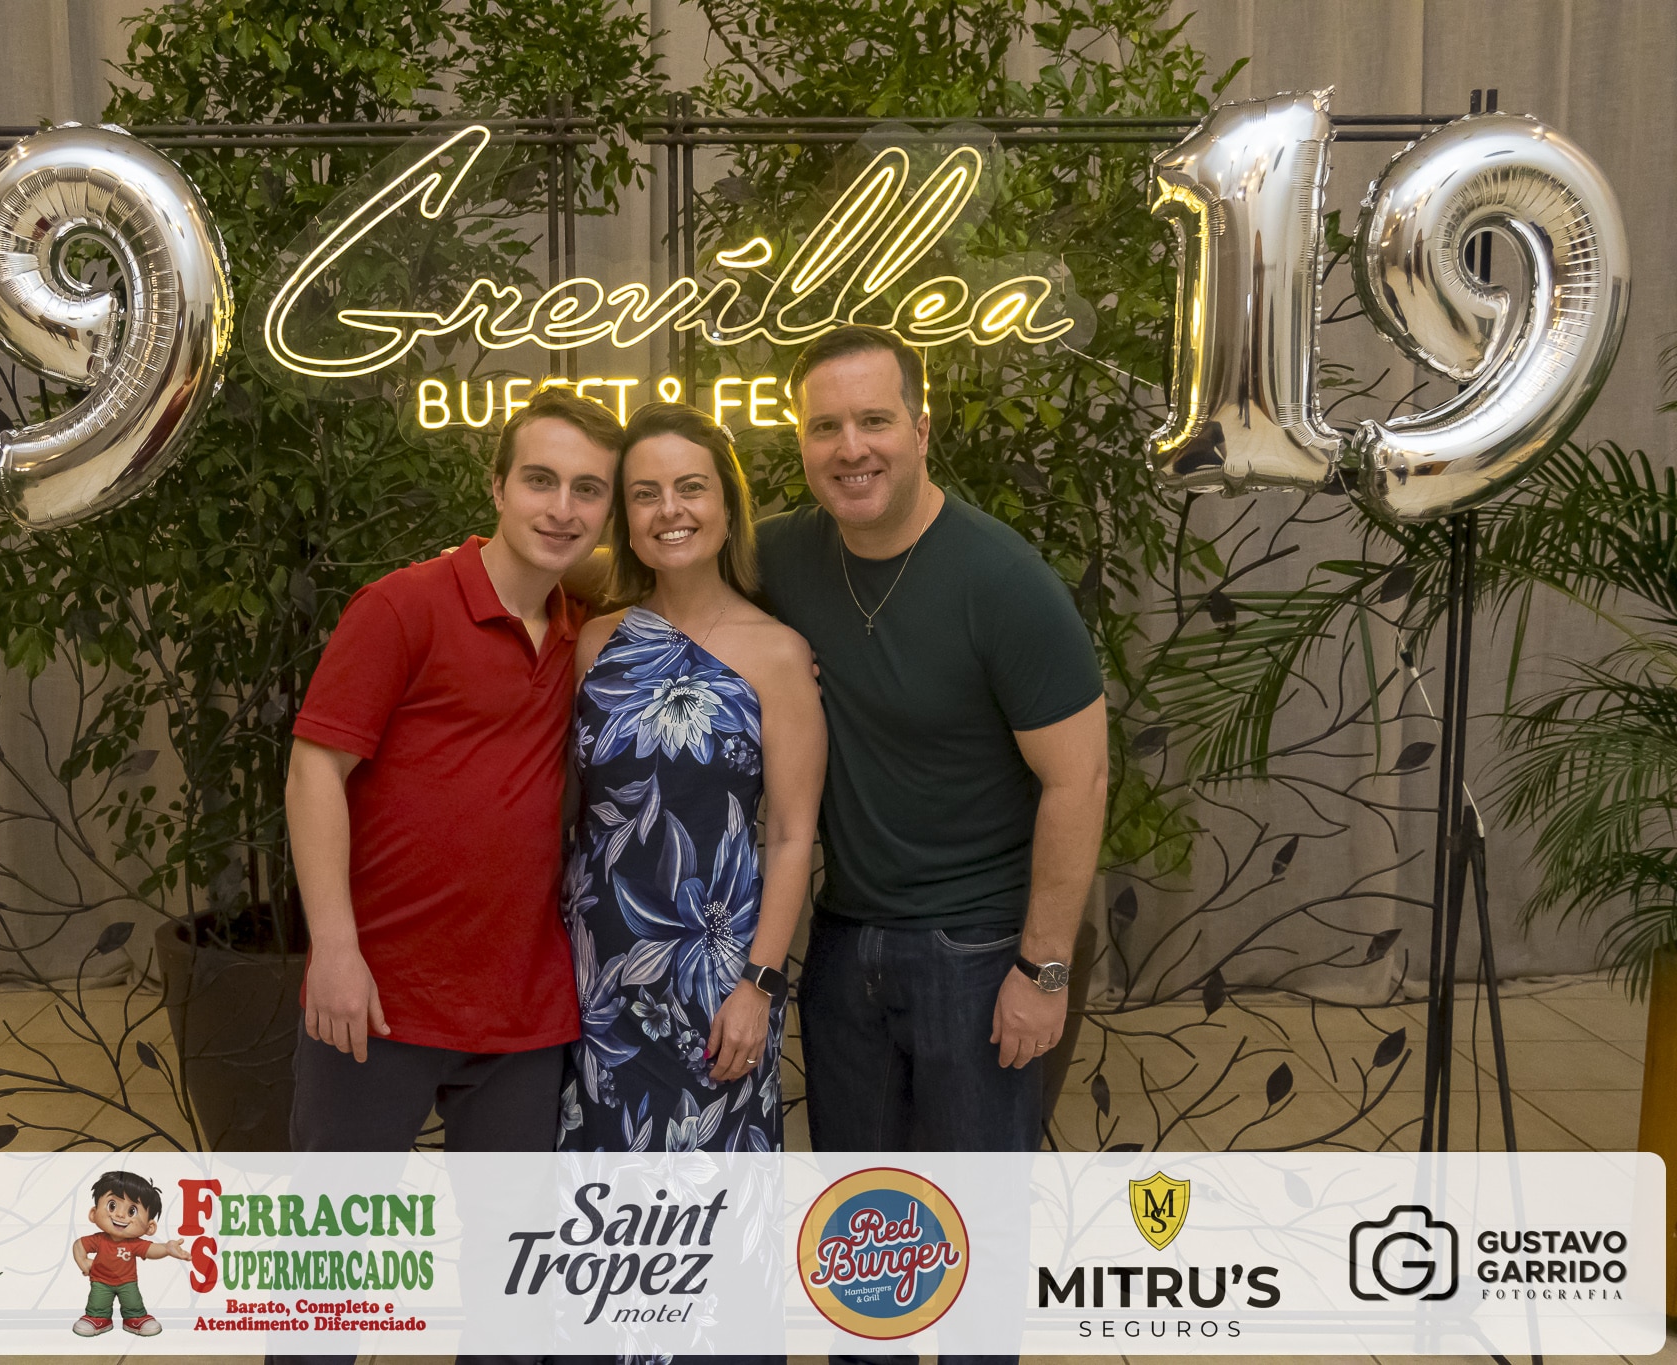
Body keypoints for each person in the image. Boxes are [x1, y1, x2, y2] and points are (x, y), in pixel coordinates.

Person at [761, 324, 1108, 1365]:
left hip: (977, 952)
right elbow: (656, 566)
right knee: (862, 1239)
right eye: (825, 427)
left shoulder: (1001, 580)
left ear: (920, 428)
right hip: (844, 943)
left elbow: (1079, 779)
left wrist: (1042, 969)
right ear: (800, 441)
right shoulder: (781, 556)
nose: (850, 447)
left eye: (873, 420)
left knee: (973, 1241)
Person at [283, 386, 622, 1154]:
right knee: (343, 1225)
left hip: (522, 1008)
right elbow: (314, 772)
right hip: (378, 989)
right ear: (497, 487)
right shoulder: (402, 606)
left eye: (588, 490)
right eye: (540, 480)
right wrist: (334, 949)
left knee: (512, 1230)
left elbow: (688, 567)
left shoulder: (583, 628)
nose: (561, 508)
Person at [557, 403, 826, 1157]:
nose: (669, 509)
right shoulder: (595, 643)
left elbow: (793, 834)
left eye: (691, 487)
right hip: (592, 973)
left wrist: (759, 986)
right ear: (626, 519)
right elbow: (569, 812)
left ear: (728, 506)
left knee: (712, 1193)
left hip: (716, 978)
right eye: (645, 494)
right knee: (597, 1199)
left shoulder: (779, 653)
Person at [71, 1170, 190, 1338]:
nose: (120, 1215)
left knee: (133, 1304)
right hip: (100, 1281)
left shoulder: (134, 1243)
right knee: (97, 1304)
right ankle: (98, 1319)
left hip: (127, 1283)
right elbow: (79, 1245)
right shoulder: (98, 1239)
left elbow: (151, 1250)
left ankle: (135, 1319)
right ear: (93, 1213)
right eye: (112, 1206)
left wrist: (166, 1248)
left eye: (132, 1211)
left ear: (149, 1227)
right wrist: (84, 1263)